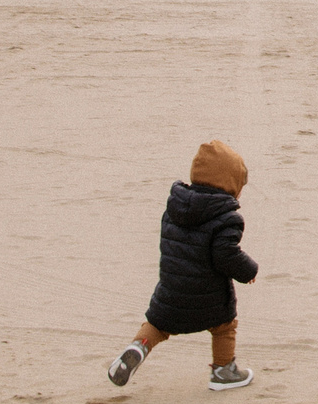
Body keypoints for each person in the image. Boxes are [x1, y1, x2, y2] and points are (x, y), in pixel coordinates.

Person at [107, 139, 258, 389]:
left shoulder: (173, 209)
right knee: (224, 326)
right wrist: (249, 270)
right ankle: (223, 371)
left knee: (157, 325)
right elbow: (225, 255)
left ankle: (138, 347)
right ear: (229, 185)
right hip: (209, 297)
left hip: (171, 291)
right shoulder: (227, 218)